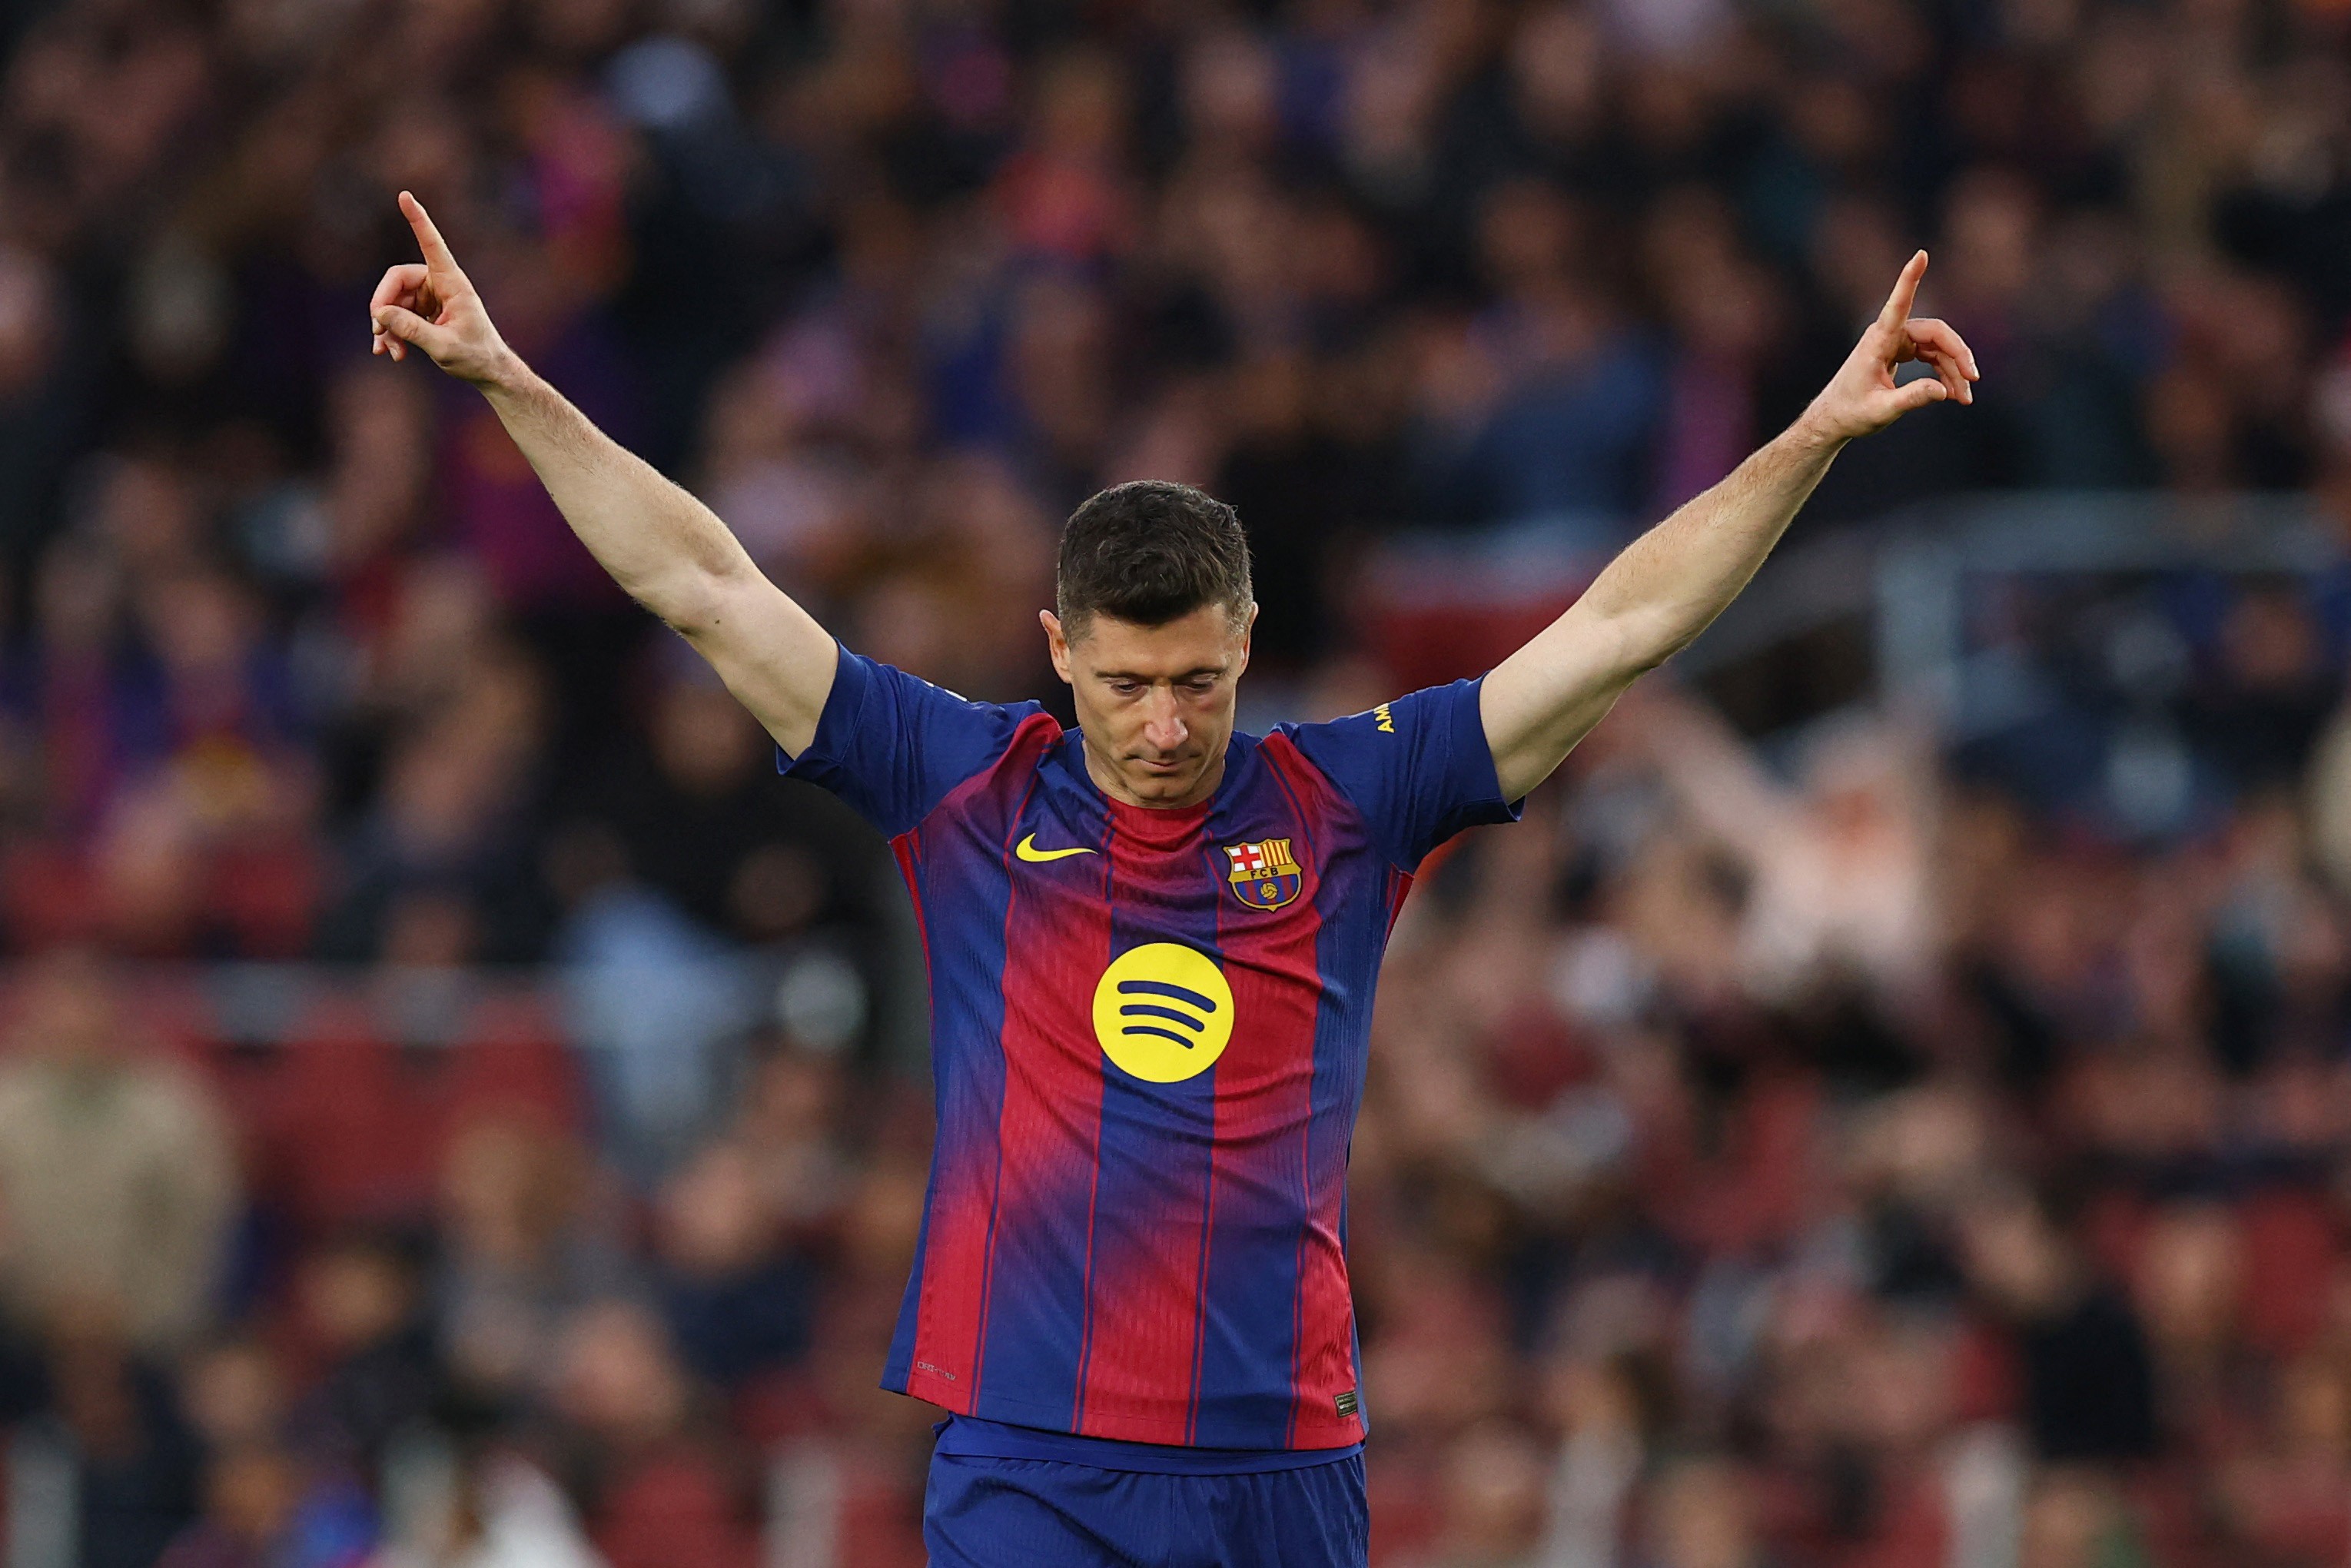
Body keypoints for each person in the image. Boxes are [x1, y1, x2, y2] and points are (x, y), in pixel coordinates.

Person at [367, 189, 1977, 1567]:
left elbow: (1621, 626)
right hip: (1032, 1461)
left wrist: (1812, 437)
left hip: (1282, 1460)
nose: (1161, 726)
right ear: (1059, 649)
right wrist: (509, 380)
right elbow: (705, 584)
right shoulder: (961, 784)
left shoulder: (1350, 797)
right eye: (1126, 685)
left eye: (1198, 682)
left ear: (1247, 645)